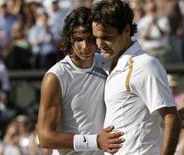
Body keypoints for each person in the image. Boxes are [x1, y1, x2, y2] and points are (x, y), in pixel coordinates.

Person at [91, 0, 182, 154]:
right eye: (96, 37)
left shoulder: (145, 65)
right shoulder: (106, 63)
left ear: (126, 30)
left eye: (107, 37)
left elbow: (171, 118)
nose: (99, 44)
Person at [37, 7, 124, 155]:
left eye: (91, 39)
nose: (86, 46)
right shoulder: (55, 77)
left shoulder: (107, 63)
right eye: (79, 39)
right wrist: (96, 141)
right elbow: (45, 138)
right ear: (70, 39)